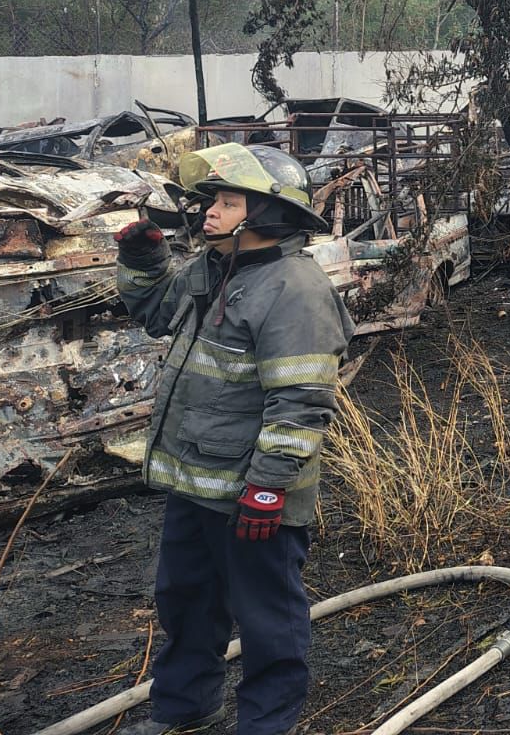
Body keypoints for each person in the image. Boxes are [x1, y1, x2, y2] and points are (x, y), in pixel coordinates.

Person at [115, 143, 354, 735]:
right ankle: (185, 712)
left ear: (267, 214)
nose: (209, 214)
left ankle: (267, 726)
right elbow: (155, 311)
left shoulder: (294, 289)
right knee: (186, 604)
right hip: (194, 484)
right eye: (211, 201)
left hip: (254, 496)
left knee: (268, 621)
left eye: (225, 201)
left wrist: (269, 488)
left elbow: (300, 402)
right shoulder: (216, 269)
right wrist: (144, 257)